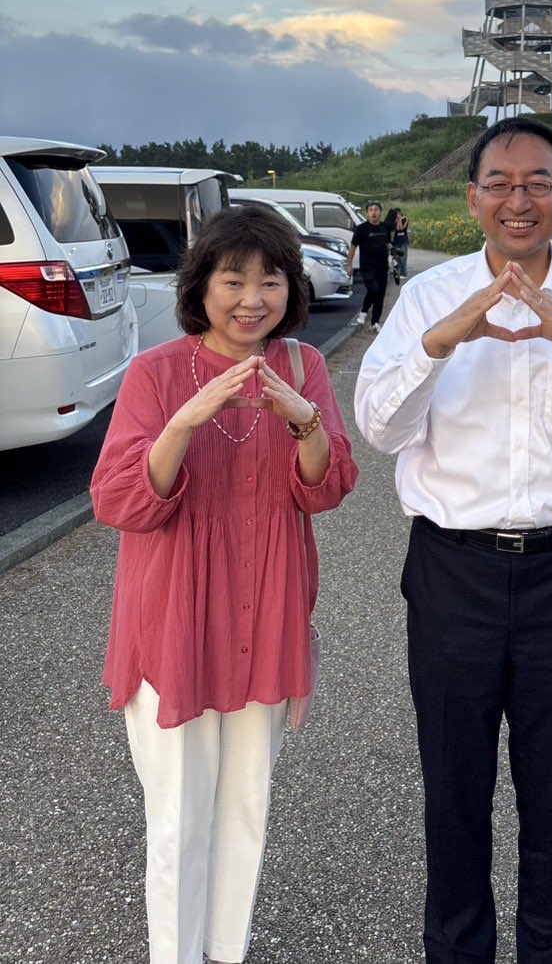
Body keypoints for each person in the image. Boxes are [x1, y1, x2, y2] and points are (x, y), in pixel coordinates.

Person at [354, 116, 552, 964]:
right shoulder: (430, 297)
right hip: (452, 570)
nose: (519, 199)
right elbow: (380, 429)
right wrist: (439, 340)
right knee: (453, 795)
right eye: (499, 182)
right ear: (472, 200)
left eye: (538, 181)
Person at [91, 203, 359, 964]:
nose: (252, 297)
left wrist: (304, 418)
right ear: (200, 286)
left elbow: (327, 486)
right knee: (178, 814)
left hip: (266, 614)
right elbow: (119, 499)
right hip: (175, 616)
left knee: (245, 804)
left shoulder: (303, 366)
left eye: (270, 279)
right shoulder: (155, 373)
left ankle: (223, 950)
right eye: (232, 278)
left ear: (290, 287)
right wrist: (184, 419)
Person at [347, 199, 390, 330]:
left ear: (380, 212)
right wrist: (349, 265)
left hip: (382, 267)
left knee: (380, 295)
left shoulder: (384, 228)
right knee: (373, 290)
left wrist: (394, 250)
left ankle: (375, 322)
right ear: (367, 213)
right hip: (367, 267)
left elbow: (388, 243)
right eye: (371, 210)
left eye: (376, 210)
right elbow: (353, 247)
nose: (373, 213)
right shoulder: (361, 229)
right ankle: (364, 311)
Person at [388, 206, 410, 282]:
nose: (397, 215)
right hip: (397, 241)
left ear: (400, 213)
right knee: (397, 257)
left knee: (403, 257)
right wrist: (397, 220)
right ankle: (399, 273)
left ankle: (404, 273)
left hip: (404, 241)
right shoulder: (394, 221)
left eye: (398, 213)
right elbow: (397, 228)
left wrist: (400, 219)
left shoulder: (405, 219)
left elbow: (402, 228)